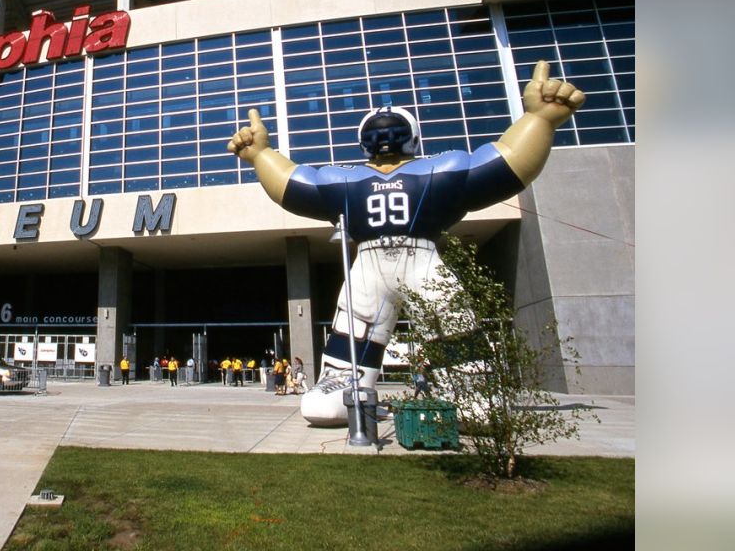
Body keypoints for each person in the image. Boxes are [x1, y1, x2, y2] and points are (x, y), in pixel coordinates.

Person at [228, 60, 584, 426]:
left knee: (461, 360)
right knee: (337, 384)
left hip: (405, 263)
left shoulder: (360, 178)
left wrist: (538, 121)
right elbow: (508, 162)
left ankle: (461, 383)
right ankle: (355, 379)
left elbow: (292, 182)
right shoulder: (439, 169)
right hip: (389, 266)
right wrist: (537, 122)